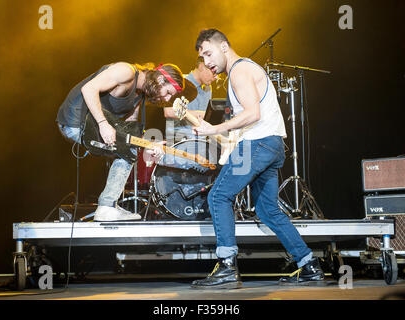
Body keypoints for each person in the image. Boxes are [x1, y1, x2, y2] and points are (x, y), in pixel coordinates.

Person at [191, 29, 325, 288]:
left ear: (225, 46)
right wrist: (226, 138)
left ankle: (227, 266)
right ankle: (308, 264)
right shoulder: (243, 70)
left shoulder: (240, 70)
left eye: (209, 53)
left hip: (258, 144)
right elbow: (252, 116)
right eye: (202, 57)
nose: (207, 62)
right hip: (271, 144)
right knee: (267, 210)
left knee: (218, 196)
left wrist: (213, 129)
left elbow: (252, 114)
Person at [56, 62, 185, 222]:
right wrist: (103, 124)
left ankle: (108, 206)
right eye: (168, 93)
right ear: (160, 80)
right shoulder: (126, 72)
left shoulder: (140, 94)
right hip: (75, 123)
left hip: (90, 125)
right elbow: (88, 89)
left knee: (129, 149)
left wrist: (147, 146)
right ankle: (106, 206)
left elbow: (128, 131)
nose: (166, 99)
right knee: (128, 151)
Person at [164, 56, 216, 143]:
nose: (216, 77)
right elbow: (168, 112)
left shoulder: (208, 89)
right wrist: (203, 114)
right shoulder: (180, 81)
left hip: (199, 137)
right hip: (178, 137)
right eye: (214, 72)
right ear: (202, 66)